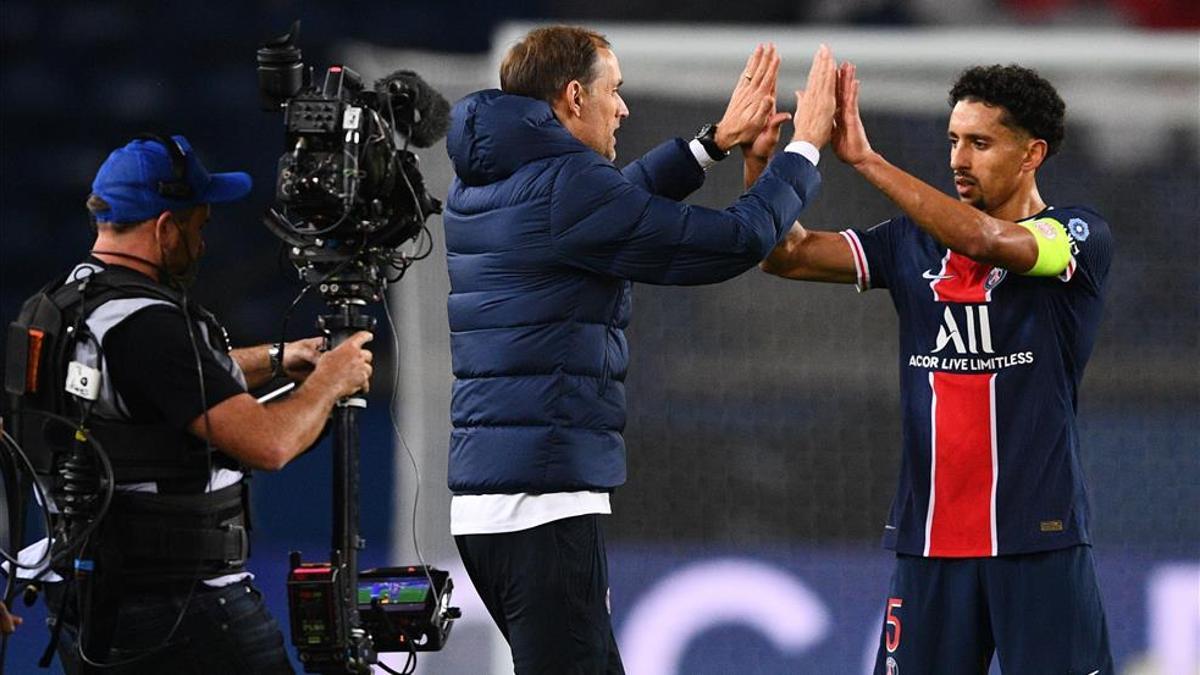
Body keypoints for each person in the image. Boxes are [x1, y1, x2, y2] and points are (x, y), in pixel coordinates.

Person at [442, 24, 837, 674]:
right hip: (546, 504)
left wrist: (709, 145)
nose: (622, 106)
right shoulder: (567, 190)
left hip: (493, 507)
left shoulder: (485, 184)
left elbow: (604, 206)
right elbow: (736, 240)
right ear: (573, 96)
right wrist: (805, 151)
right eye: (613, 90)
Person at [760, 63, 1114, 674]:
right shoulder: (910, 243)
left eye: (979, 143)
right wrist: (768, 165)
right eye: (953, 140)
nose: (958, 158)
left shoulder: (1075, 235)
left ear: (1032, 153)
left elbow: (989, 242)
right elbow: (784, 255)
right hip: (929, 540)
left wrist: (867, 161)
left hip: (1036, 534)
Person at [4, 134, 373, 674]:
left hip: (89, 601)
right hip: (183, 608)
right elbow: (268, 444)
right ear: (164, 227)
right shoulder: (151, 326)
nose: (202, 243)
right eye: (199, 225)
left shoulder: (57, 308)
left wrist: (277, 357)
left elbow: (150, 385)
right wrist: (330, 382)